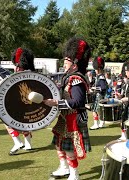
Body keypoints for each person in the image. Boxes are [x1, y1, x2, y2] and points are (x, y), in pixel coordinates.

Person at [44, 37, 92, 180]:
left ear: (75, 65)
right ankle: (64, 167)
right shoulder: (68, 77)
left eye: (66, 62)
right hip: (65, 117)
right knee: (58, 143)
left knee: (69, 147)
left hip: (73, 118)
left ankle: (74, 174)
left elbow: (77, 101)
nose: (64, 64)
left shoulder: (76, 79)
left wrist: (57, 103)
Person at [7, 47, 35, 155]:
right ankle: (28, 144)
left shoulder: (19, 75)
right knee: (24, 124)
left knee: (6, 121)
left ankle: (17, 142)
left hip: (20, 103)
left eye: (17, 66)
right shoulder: (32, 74)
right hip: (28, 104)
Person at [89, 56, 108, 130]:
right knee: (97, 110)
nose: (95, 70)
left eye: (96, 69)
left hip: (99, 96)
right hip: (97, 95)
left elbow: (103, 87)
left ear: (99, 69)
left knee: (95, 110)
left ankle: (96, 124)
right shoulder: (98, 76)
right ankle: (100, 123)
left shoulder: (101, 77)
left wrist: (94, 89)